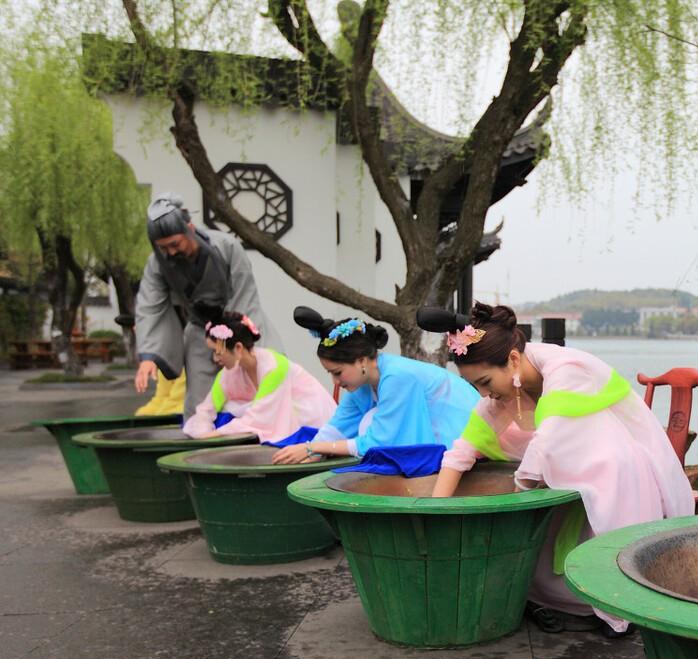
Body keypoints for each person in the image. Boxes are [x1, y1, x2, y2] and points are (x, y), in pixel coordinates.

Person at [423, 302, 695, 637]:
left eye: (484, 382)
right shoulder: (503, 389)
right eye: (474, 386)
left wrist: (514, 500)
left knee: (603, 481)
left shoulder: (567, 369)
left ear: (511, 360)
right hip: (565, 468)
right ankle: (556, 598)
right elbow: (461, 452)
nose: (483, 393)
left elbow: (549, 440)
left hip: (614, 465)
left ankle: (614, 603)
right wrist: (434, 514)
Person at [271, 307, 477, 464]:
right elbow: (337, 428)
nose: (335, 382)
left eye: (337, 373)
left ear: (361, 360)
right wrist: (310, 450)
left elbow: (381, 442)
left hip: (464, 439)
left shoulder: (397, 377)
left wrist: (315, 448)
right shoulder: (362, 383)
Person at [134, 193, 277, 417]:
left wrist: (233, 339)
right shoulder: (157, 264)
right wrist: (148, 357)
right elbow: (149, 305)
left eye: (174, 244)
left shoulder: (226, 247)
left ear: (189, 227)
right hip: (201, 331)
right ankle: (201, 447)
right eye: (163, 248)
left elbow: (244, 294)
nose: (171, 252)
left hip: (242, 328)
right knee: (200, 403)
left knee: (262, 388)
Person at [182, 308, 337, 442]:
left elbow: (258, 418)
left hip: (306, 420)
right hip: (267, 417)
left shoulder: (274, 367)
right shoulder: (229, 372)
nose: (215, 359)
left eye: (217, 352)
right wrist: (203, 432)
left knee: (234, 423)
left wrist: (213, 436)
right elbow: (207, 409)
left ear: (238, 347)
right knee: (224, 418)